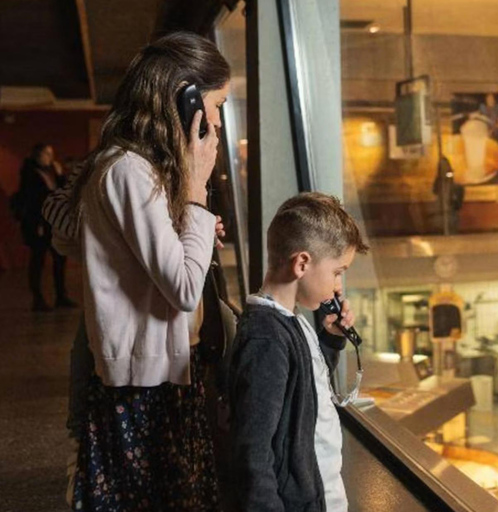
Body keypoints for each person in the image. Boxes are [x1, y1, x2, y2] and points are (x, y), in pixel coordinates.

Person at [66, 32, 230, 511]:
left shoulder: (144, 171)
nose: (218, 120)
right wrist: (197, 190)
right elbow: (181, 288)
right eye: (216, 104)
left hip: (164, 373)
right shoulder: (128, 172)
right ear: (186, 99)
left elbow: (165, 266)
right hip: (143, 386)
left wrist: (191, 222)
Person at [227, 192, 369, 511]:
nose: (337, 287)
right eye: (337, 272)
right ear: (302, 262)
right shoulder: (266, 339)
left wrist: (331, 340)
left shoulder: (293, 322)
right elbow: (253, 453)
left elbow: (303, 387)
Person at [14, 143, 76, 311]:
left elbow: (62, 192)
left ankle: (61, 296)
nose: (50, 157)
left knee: (59, 258)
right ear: (38, 155)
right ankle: (38, 298)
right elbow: (33, 199)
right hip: (38, 223)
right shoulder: (29, 173)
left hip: (53, 223)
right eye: (47, 153)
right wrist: (38, 224)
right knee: (38, 260)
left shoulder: (51, 172)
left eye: (51, 153)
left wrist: (60, 174)